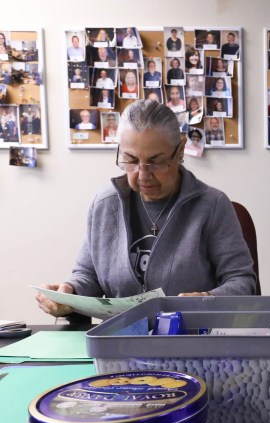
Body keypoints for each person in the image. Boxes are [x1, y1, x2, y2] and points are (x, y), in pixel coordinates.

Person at [37, 100, 256, 320]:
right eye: (131, 160)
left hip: (191, 339)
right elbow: (87, 275)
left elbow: (242, 281)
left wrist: (206, 298)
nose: (142, 174)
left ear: (179, 150)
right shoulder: (105, 205)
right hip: (120, 341)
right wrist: (69, 292)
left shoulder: (212, 206)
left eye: (156, 162)